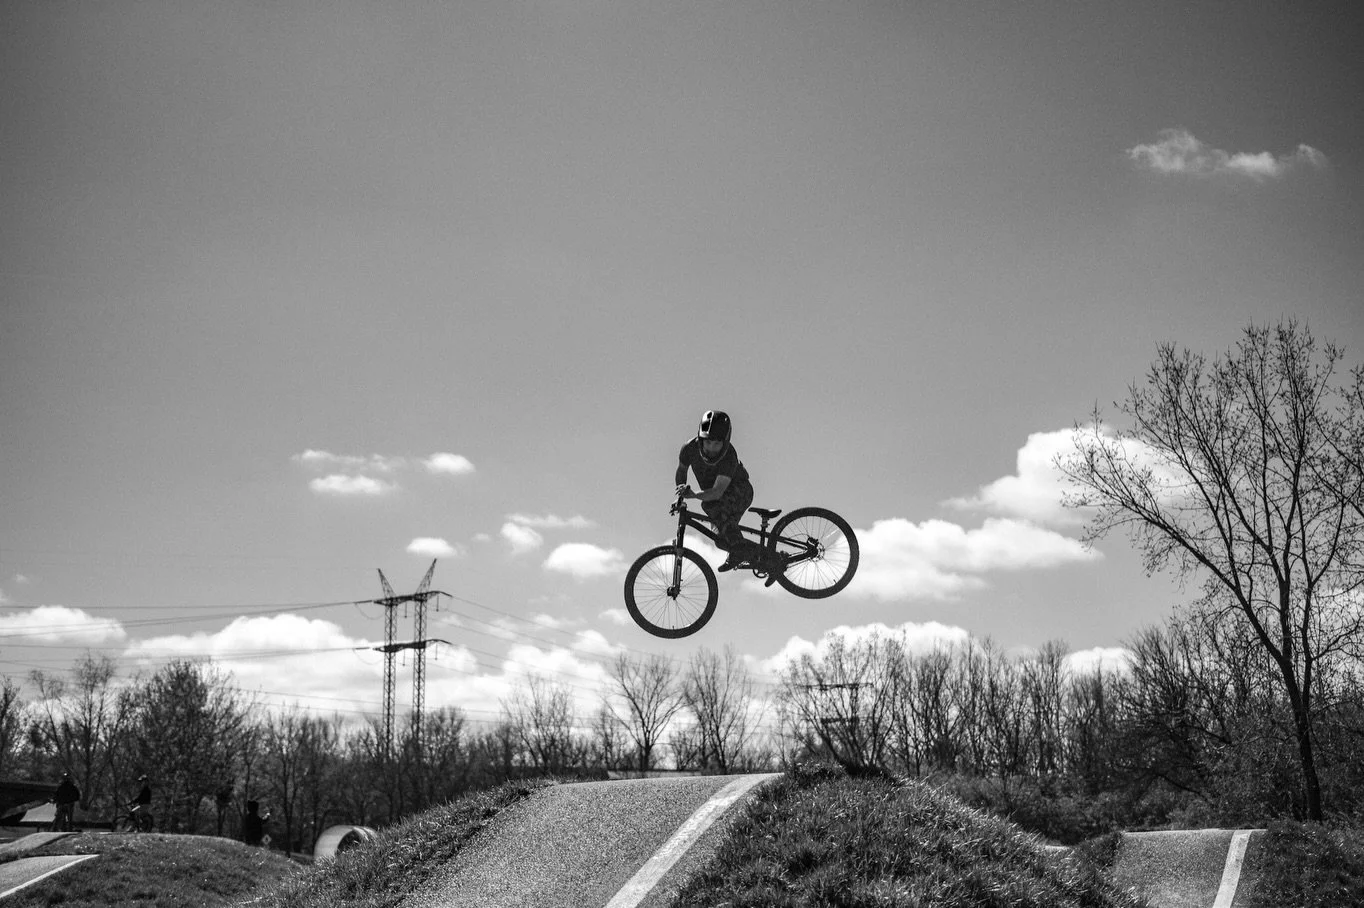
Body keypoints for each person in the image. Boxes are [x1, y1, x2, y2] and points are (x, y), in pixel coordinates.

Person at [675, 410, 779, 584]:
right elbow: (681, 471)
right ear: (701, 439)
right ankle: (768, 559)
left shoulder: (729, 456)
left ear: (725, 443)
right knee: (722, 540)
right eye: (708, 442)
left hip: (740, 491)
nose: (711, 448)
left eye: (716, 444)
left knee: (709, 506)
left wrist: (693, 495)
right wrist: (679, 492)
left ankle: (740, 551)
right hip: (717, 497)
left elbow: (717, 492)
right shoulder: (689, 449)